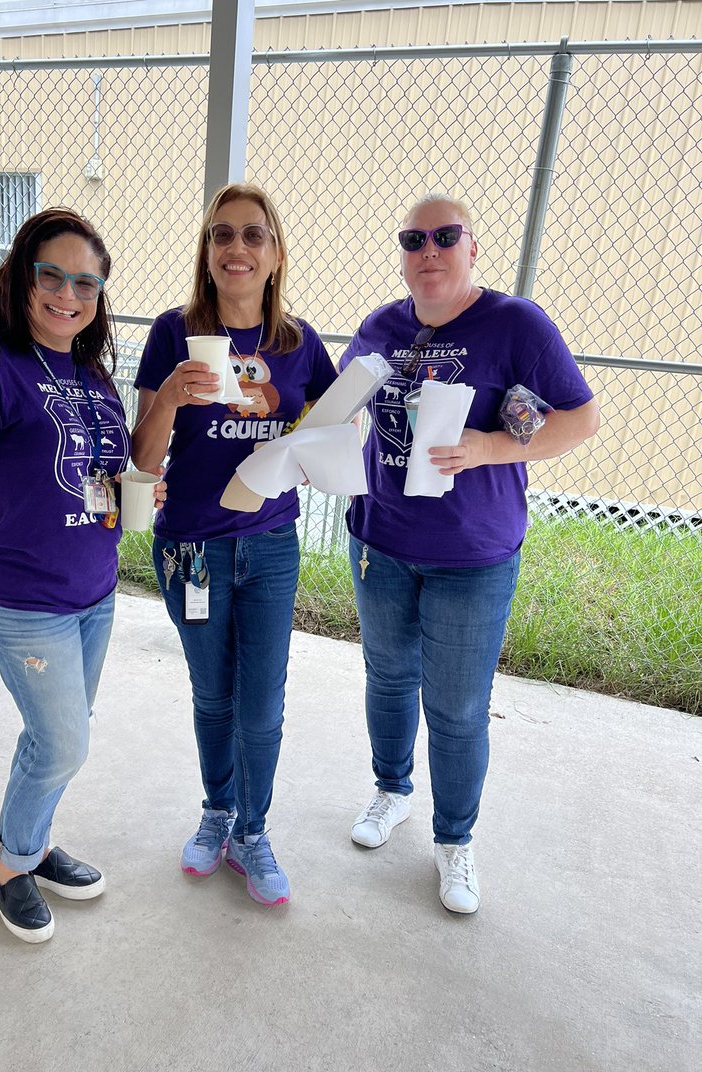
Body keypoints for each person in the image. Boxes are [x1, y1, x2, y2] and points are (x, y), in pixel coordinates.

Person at [0, 209, 165, 943]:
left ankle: (36, 840)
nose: (67, 293)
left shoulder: (91, 375)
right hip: (24, 600)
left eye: (85, 282)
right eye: (50, 275)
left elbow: (97, 478)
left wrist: (138, 491)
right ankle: (12, 863)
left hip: (93, 593)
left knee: (62, 735)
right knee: (61, 743)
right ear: (21, 278)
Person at [343, 192, 599, 914]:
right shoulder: (382, 327)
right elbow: (338, 404)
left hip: (473, 554)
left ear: (473, 248)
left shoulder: (514, 323)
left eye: (445, 237)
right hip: (380, 542)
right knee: (388, 679)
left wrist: (491, 446)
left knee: (456, 706)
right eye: (413, 238)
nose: (429, 251)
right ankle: (392, 792)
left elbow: (582, 418)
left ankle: (454, 841)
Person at [131, 182, 337, 906]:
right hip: (191, 550)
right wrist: (171, 400)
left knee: (263, 702)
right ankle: (217, 813)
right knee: (213, 694)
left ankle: (254, 828)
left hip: (271, 545)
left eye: (253, 235)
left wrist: (315, 453)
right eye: (222, 235)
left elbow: (334, 428)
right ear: (207, 253)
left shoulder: (299, 343)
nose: (237, 248)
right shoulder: (171, 332)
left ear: (276, 254)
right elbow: (143, 458)